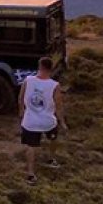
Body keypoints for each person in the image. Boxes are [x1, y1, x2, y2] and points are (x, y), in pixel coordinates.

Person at [20, 57, 65, 186]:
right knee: (53, 139)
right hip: (47, 121)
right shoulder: (54, 85)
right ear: (51, 68)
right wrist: (62, 122)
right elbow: (59, 105)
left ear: (39, 66)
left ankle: (30, 174)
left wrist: (21, 112)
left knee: (31, 147)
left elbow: (20, 98)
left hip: (30, 122)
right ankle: (51, 159)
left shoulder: (27, 80)